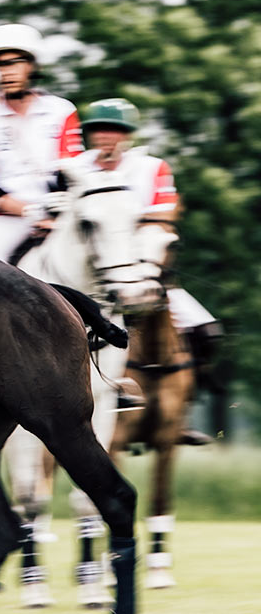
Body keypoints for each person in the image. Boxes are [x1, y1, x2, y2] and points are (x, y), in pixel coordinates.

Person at [75, 97, 222, 439]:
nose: (106, 136)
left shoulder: (150, 167)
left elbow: (164, 213)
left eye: (115, 130)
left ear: (127, 134)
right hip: (89, 274)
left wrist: (127, 231)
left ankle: (181, 409)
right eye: (99, 130)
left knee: (206, 331)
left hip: (140, 266)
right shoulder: (76, 167)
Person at [0, 23, 83, 262]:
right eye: (0, 65)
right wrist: (31, 211)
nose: (6, 72)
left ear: (33, 65)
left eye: (14, 63)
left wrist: (54, 215)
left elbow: (68, 175)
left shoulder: (62, 111)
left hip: (55, 217)